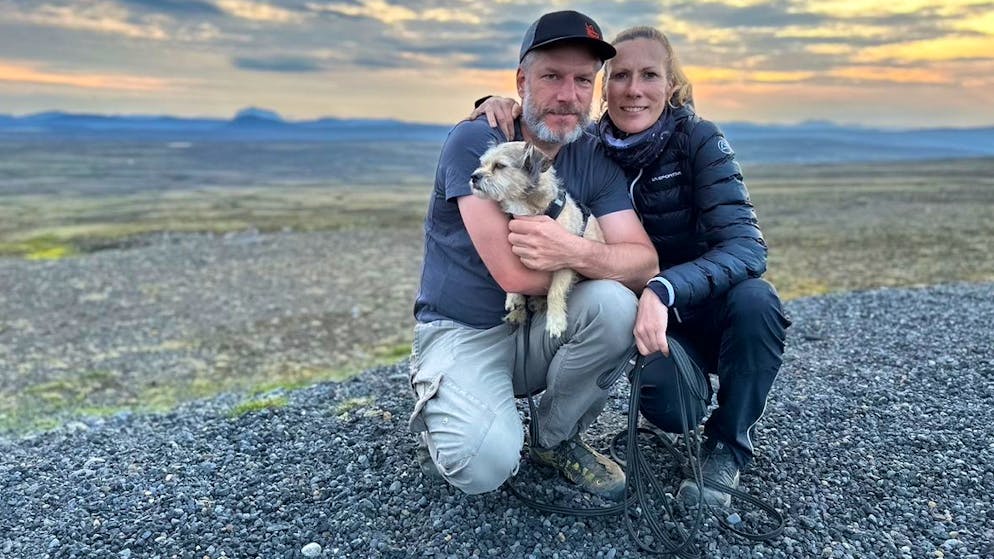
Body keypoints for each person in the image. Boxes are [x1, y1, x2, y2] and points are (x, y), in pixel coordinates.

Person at [473, 26, 791, 507]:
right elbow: (545, 124)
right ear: (605, 87)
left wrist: (663, 289)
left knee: (757, 300)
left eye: (649, 75)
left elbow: (748, 251)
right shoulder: (594, 145)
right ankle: (682, 404)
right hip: (644, 313)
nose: (634, 89)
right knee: (674, 409)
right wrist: (502, 104)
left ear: (672, 86)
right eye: (620, 75)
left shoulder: (701, 141)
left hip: (696, 303)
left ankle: (728, 446)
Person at [410, 10, 658, 500]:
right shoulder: (478, 142)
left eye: (583, 80)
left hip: (542, 327)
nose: (568, 95)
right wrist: (594, 262)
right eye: (551, 77)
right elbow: (512, 272)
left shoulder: (593, 156)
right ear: (522, 80)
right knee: (484, 467)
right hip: (465, 332)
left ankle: (554, 440)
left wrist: (574, 249)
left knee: (617, 305)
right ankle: (443, 408)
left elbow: (644, 262)